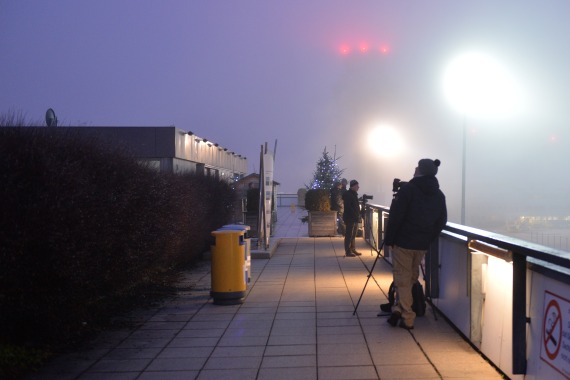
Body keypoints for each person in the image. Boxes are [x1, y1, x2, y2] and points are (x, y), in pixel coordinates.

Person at [384, 159, 447, 330]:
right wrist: (428, 238)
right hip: (422, 244)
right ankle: (397, 308)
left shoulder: (408, 190)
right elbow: (442, 221)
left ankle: (407, 316)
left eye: (417, 167)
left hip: (404, 242)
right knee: (411, 276)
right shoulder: (439, 195)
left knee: (402, 278)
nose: (414, 169)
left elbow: (396, 218)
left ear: (421, 171)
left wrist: (389, 240)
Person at [342, 179, 362, 257]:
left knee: (353, 234)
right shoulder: (348, 195)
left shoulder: (353, 194)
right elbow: (348, 207)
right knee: (349, 234)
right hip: (350, 218)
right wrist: (355, 214)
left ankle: (352, 249)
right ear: (353, 186)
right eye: (357, 186)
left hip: (354, 217)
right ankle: (348, 251)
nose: (358, 187)